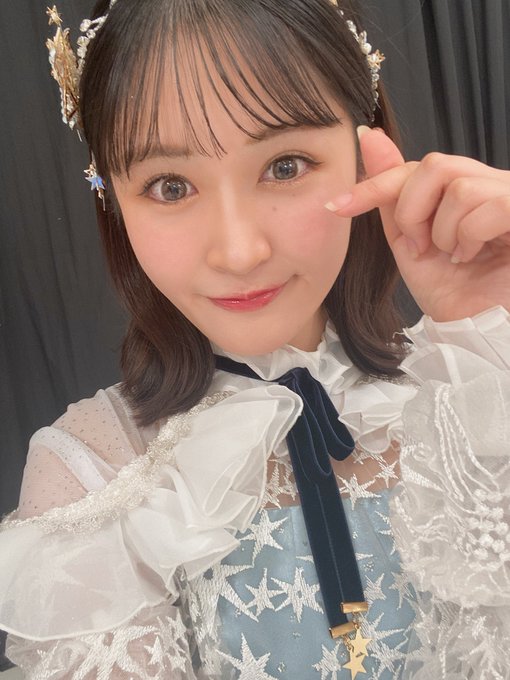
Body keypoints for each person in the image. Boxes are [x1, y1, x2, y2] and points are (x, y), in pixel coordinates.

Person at [0, 0, 509, 677]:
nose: (240, 251)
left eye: (286, 165)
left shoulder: (471, 385)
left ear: (365, 154)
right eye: (171, 185)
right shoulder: (91, 476)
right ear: (112, 197)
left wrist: (484, 340)